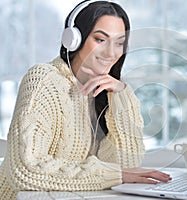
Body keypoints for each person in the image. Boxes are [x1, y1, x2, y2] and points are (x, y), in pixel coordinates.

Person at [0, 1, 171, 199]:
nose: (111, 53)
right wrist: (113, 175)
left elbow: (127, 164)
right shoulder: (44, 80)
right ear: (74, 39)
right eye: (100, 40)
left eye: (119, 42)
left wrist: (121, 95)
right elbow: (25, 170)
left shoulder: (104, 92)